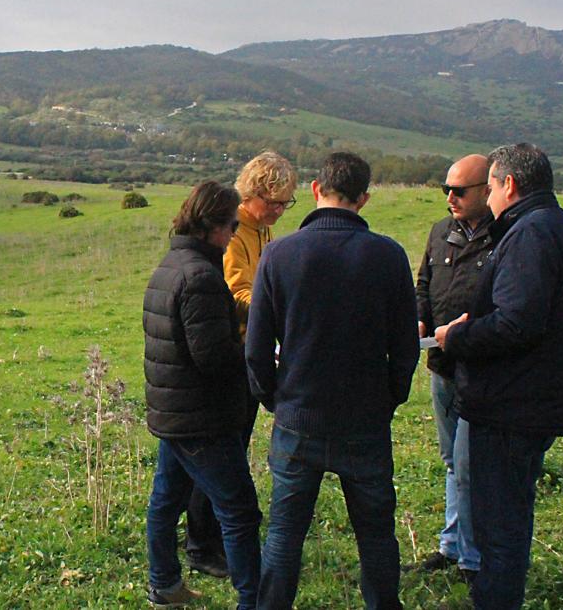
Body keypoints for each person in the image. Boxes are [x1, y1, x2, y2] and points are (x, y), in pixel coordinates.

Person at [246, 152, 417, 609]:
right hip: (365, 419)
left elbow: (257, 347)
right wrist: (389, 399)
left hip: (297, 417)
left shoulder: (279, 253)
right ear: (364, 198)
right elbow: (405, 347)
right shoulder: (389, 256)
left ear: (318, 189)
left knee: (284, 533)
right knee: (377, 534)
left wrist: (273, 398)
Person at [435, 143, 563, 609]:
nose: (486, 200)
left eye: (489, 188)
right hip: (537, 400)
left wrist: (458, 338)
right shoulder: (562, 229)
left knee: (497, 530)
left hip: (511, 406)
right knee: (510, 519)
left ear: (509, 184)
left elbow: (516, 323)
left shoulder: (530, 235)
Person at [143, 181, 262, 609]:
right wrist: (259, 351)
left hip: (173, 411)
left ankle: (165, 586)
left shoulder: (171, 264)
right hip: (202, 419)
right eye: (232, 225)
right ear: (212, 225)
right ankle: (254, 599)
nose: (234, 234)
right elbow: (212, 358)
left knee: (165, 501)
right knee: (239, 511)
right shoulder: (202, 277)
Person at [182, 151, 299, 578]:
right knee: (221, 454)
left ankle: (212, 536)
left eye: (285, 204)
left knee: (230, 449)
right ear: (251, 196)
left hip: (250, 351)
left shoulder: (262, 233)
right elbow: (235, 296)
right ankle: (202, 544)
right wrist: (279, 310)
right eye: (273, 203)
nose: (279, 211)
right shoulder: (236, 236)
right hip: (232, 356)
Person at [411, 154, 493, 581]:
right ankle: (452, 545)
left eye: (459, 191)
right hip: (441, 364)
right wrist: (421, 315)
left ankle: (473, 558)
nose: (451, 198)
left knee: (468, 463)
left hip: (481, 368)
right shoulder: (441, 231)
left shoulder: (503, 235)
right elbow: (423, 282)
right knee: (450, 460)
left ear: (487, 190)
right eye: (446, 190)